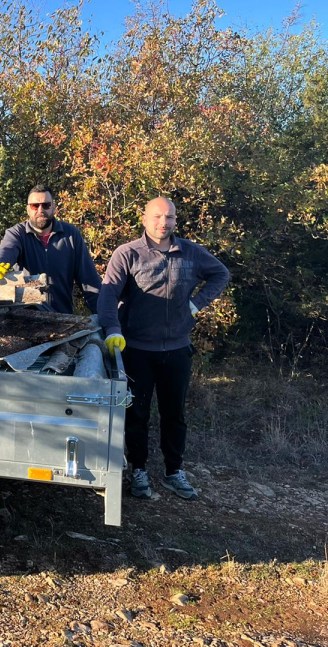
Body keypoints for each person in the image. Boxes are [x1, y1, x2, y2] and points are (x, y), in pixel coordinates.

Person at [97, 197, 230, 502]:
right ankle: (139, 470)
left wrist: (196, 304)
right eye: (157, 216)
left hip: (177, 349)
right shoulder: (127, 254)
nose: (164, 222)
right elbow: (107, 295)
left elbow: (221, 274)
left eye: (169, 217)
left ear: (175, 220)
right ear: (144, 219)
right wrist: (113, 329)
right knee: (136, 413)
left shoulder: (190, 252)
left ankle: (174, 472)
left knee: (175, 414)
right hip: (137, 350)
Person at [0, 185, 101, 314]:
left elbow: (89, 281)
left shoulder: (71, 235)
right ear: (28, 209)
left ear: (54, 207)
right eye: (35, 206)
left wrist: (105, 321)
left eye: (46, 205)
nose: (40, 210)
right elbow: (7, 249)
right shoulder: (17, 234)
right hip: (24, 319)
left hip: (63, 318)